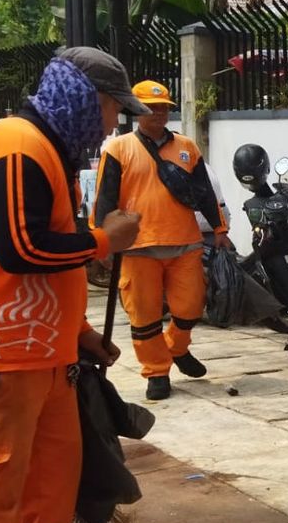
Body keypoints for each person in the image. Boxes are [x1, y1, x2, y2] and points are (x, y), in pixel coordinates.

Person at [0, 46, 144, 523]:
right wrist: (108, 239)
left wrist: (77, 334)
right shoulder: (17, 146)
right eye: (114, 109)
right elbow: (21, 248)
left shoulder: (44, 149)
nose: (113, 124)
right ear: (89, 99)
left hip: (43, 353)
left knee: (49, 481)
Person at [92, 80, 230, 401]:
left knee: (190, 307)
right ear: (136, 110)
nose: (158, 113)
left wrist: (219, 229)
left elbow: (205, 193)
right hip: (138, 247)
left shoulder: (186, 147)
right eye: (151, 108)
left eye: (164, 107)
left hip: (185, 242)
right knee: (145, 315)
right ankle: (156, 371)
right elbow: (104, 200)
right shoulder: (118, 148)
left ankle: (176, 348)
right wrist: (102, 241)